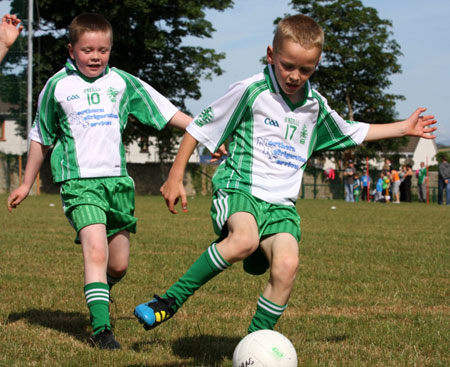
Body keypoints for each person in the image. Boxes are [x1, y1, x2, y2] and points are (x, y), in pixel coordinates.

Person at [133, 14, 437, 336]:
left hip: (282, 206)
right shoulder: (251, 91)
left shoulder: (314, 107)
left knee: (287, 266)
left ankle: (254, 344)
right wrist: (176, 175)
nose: (295, 75)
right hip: (241, 189)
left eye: (305, 69)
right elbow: (200, 127)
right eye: (287, 65)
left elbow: (352, 131)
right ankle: (169, 302)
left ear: (317, 65)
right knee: (244, 240)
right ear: (271, 55)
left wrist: (403, 128)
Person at [6, 13, 193, 350]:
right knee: (95, 249)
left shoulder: (122, 82)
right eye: (87, 49)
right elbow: (40, 137)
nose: (95, 56)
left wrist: (202, 131)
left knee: (118, 265)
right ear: (72, 49)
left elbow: (164, 111)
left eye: (103, 50)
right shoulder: (57, 87)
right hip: (78, 183)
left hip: (118, 184)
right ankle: (102, 330)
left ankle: (100, 295)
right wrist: (25, 183)